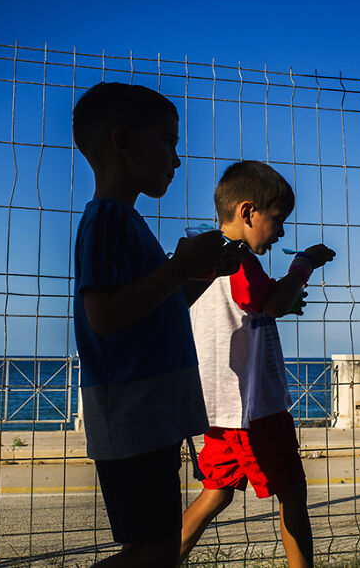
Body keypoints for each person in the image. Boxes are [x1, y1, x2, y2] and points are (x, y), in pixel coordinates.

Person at [72, 82, 244, 567]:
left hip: (148, 416)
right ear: (122, 140)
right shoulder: (108, 220)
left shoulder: (126, 221)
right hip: (133, 416)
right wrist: (177, 268)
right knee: (153, 551)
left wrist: (202, 273)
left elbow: (159, 308)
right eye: (168, 141)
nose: (177, 159)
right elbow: (104, 315)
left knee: (160, 548)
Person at [179, 160, 336, 568]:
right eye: (278, 220)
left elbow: (252, 305)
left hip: (218, 407)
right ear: (247, 212)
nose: (281, 231)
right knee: (293, 492)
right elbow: (274, 303)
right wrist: (303, 264)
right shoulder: (239, 260)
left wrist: (277, 298)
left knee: (217, 492)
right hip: (254, 408)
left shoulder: (201, 253)